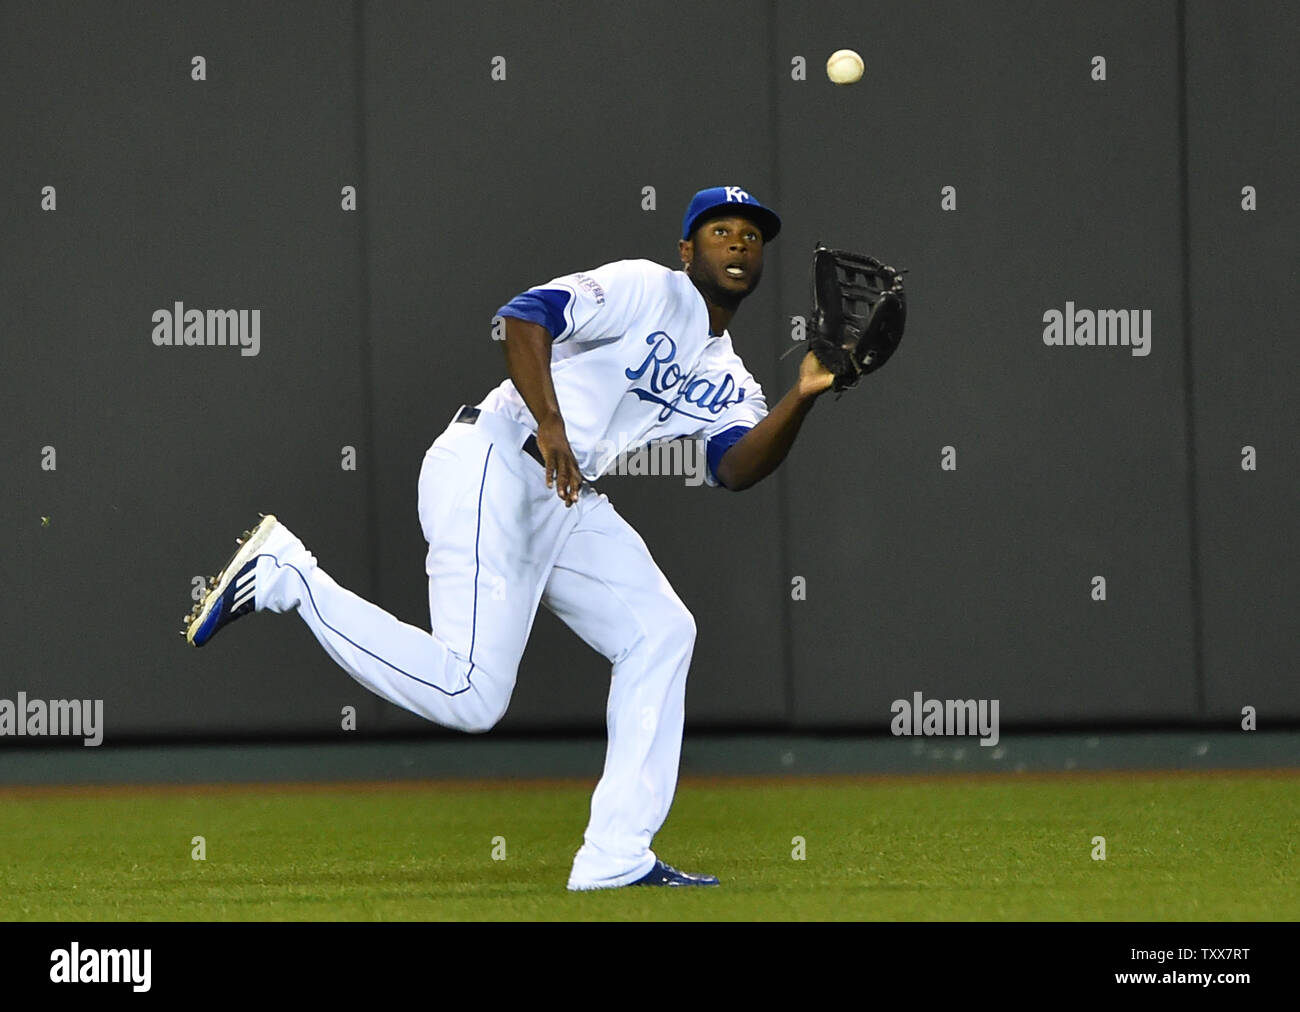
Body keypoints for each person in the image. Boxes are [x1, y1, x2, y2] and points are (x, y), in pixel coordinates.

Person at [183, 185, 836, 889]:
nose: (738, 242)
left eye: (750, 235)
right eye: (719, 230)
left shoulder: (727, 373)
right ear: (686, 250)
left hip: (564, 495)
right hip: (496, 457)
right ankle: (289, 575)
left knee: (663, 631)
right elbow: (525, 318)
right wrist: (551, 422)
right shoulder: (644, 287)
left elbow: (735, 467)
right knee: (470, 695)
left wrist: (802, 396)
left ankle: (616, 856)